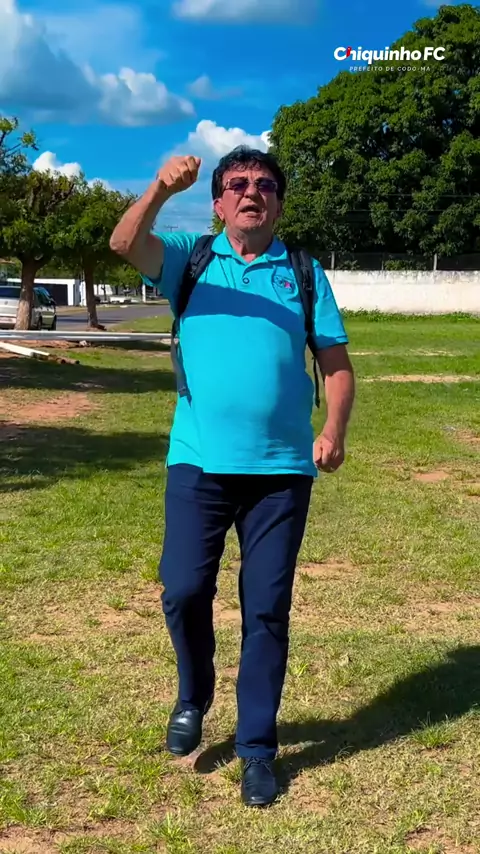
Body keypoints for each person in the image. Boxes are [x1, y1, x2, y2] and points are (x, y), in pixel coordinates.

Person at [110, 146, 355, 807]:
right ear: (219, 202)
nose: (253, 193)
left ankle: (257, 751)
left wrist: (333, 430)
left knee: (266, 609)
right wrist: (159, 187)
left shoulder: (302, 272)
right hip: (198, 463)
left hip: (280, 472)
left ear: (279, 202)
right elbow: (124, 243)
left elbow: (335, 363)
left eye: (265, 185)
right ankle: (194, 694)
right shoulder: (189, 257)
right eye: (239, 184)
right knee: (184, 589)